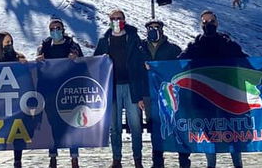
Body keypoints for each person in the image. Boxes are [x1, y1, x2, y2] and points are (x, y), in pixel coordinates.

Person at [177, 10, 247, 168]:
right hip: (203, 99)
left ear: (217, 23)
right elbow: (177, 63)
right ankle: (211, 166)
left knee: (232, 134)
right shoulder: (195, 45)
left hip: (227, 97)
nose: (208, 24)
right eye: (205, 21)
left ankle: (238, 165)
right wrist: (155, 68)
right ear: (201, 24)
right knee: (208, 135)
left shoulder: (228, 44)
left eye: (211, 21)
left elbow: (246, 62)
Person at [93, 10, 147, 168]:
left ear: (124, 19)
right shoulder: (105, 40)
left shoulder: (133, 37)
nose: (116, 21)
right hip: (112, 87)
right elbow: (95, 61)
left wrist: (141, 92)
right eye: (113, 19)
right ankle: (116, 159)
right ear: (109, 21)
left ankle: (138, 159)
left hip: (131, 87)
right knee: (114, 126)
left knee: (135, 124)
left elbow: (142, 59)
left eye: (119, 18)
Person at [36, 16, 83, 168]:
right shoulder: (44, 46)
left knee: (71, 124)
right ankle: (53, 157)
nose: (55, 31)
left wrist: (75, 57)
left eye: (58, 28)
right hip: (50, 91)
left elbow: (82, 62)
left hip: (68, 90)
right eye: (52, 29)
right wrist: (38, 60)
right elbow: (38, 64)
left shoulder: (71, 45)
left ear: (63, 29)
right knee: (52, 125)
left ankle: (74, 158)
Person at [140, 20, 182, 168]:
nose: (153, 30)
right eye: (150, 28)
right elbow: (134, 70)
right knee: (154, 126)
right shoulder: (140, 48)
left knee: (175, 123)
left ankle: (183, 160)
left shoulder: (173, 49)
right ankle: (157, 161)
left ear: (162, 30)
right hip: (148, 92)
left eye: (156, 28)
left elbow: (180, 68)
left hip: (168, 92)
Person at [0, 31, 27, 168]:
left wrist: (25, 64)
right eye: (6, 42)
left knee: (17, 134)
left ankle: (17, 161)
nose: (9, 45)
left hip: (14, 103)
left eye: (11, 42)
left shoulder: (17, 57)